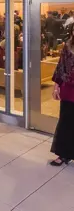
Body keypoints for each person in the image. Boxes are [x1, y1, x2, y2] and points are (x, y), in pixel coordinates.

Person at [50, 24, 74, 166]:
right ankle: (63, 154)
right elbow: (60, 67)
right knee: (65, 121)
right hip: (68, 89)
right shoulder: (67, 46)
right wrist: (56, 87)